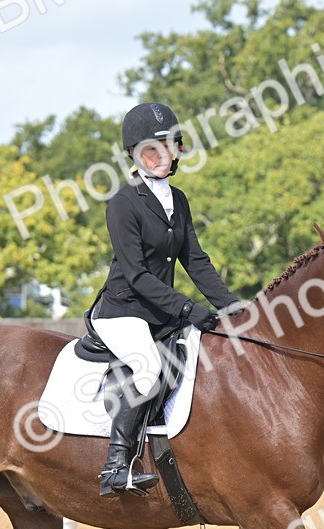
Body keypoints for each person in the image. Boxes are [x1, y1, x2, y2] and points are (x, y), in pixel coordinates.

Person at [89, 101, 241, 497]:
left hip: (161, 312)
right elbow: (137, 275)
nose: (161, 156)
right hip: (123, 310)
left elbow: (196, 260)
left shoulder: (179, 199)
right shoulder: (123, 203)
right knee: (148, 366)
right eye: (150, 150)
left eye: (167, 146)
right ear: (136, 156)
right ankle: (115, 465)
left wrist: (232, 305)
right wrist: (189, 309)